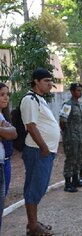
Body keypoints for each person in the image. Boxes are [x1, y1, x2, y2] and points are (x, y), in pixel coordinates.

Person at [21, 68, 60, 236]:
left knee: (39, 187)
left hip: (44, 151)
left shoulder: (40, 99)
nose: (50, 84)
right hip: (38, 151)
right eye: (46, 80)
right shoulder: (30, 100)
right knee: (35, 187)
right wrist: (44, 147)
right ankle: (33, 226)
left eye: (51, 81)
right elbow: (30, 126)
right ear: (36, 81)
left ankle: (33, 222)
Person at [60, 83, 82, 192]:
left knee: (78, 158)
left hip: (79, 137)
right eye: (77, 90)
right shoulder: (67, 105)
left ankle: (76, 179)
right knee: (71, 159)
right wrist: (68, 134)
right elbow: (62, 121)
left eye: (80, 90)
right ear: (71, 92)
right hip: (71, 138)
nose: (79, 92)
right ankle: (68, 183)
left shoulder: (79, 105)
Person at [0, 82, 17, 233]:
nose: (6, 98)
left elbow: (13, 133)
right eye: (2, 94)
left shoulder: (3, 114)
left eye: (7, 94)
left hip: (6, 161)